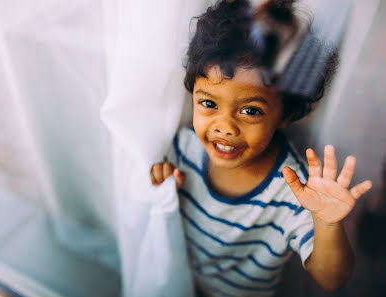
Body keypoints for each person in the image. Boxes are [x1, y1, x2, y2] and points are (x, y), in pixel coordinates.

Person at [149, 0, 373, 296]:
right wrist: (159, 178)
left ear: (286, 115)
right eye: (209, 104)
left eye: (250, 111)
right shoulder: (184, 147)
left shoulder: (296, 190)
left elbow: (331, 279)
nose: (225, 126)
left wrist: (327, 222)